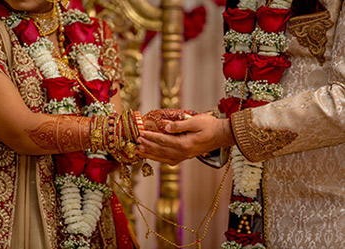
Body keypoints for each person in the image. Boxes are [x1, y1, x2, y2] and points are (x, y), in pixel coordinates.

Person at [137, 0, 345, 248]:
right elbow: (262, 91)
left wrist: (226, 131)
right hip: (253, 208)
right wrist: (205, 129)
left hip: (328, 216)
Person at [0, 0, 163, 247]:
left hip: (90, 214)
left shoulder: (96, 33)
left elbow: (112, 148)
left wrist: (155, 134)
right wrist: (130, 128)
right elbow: (20, 132)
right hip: (10, 213)